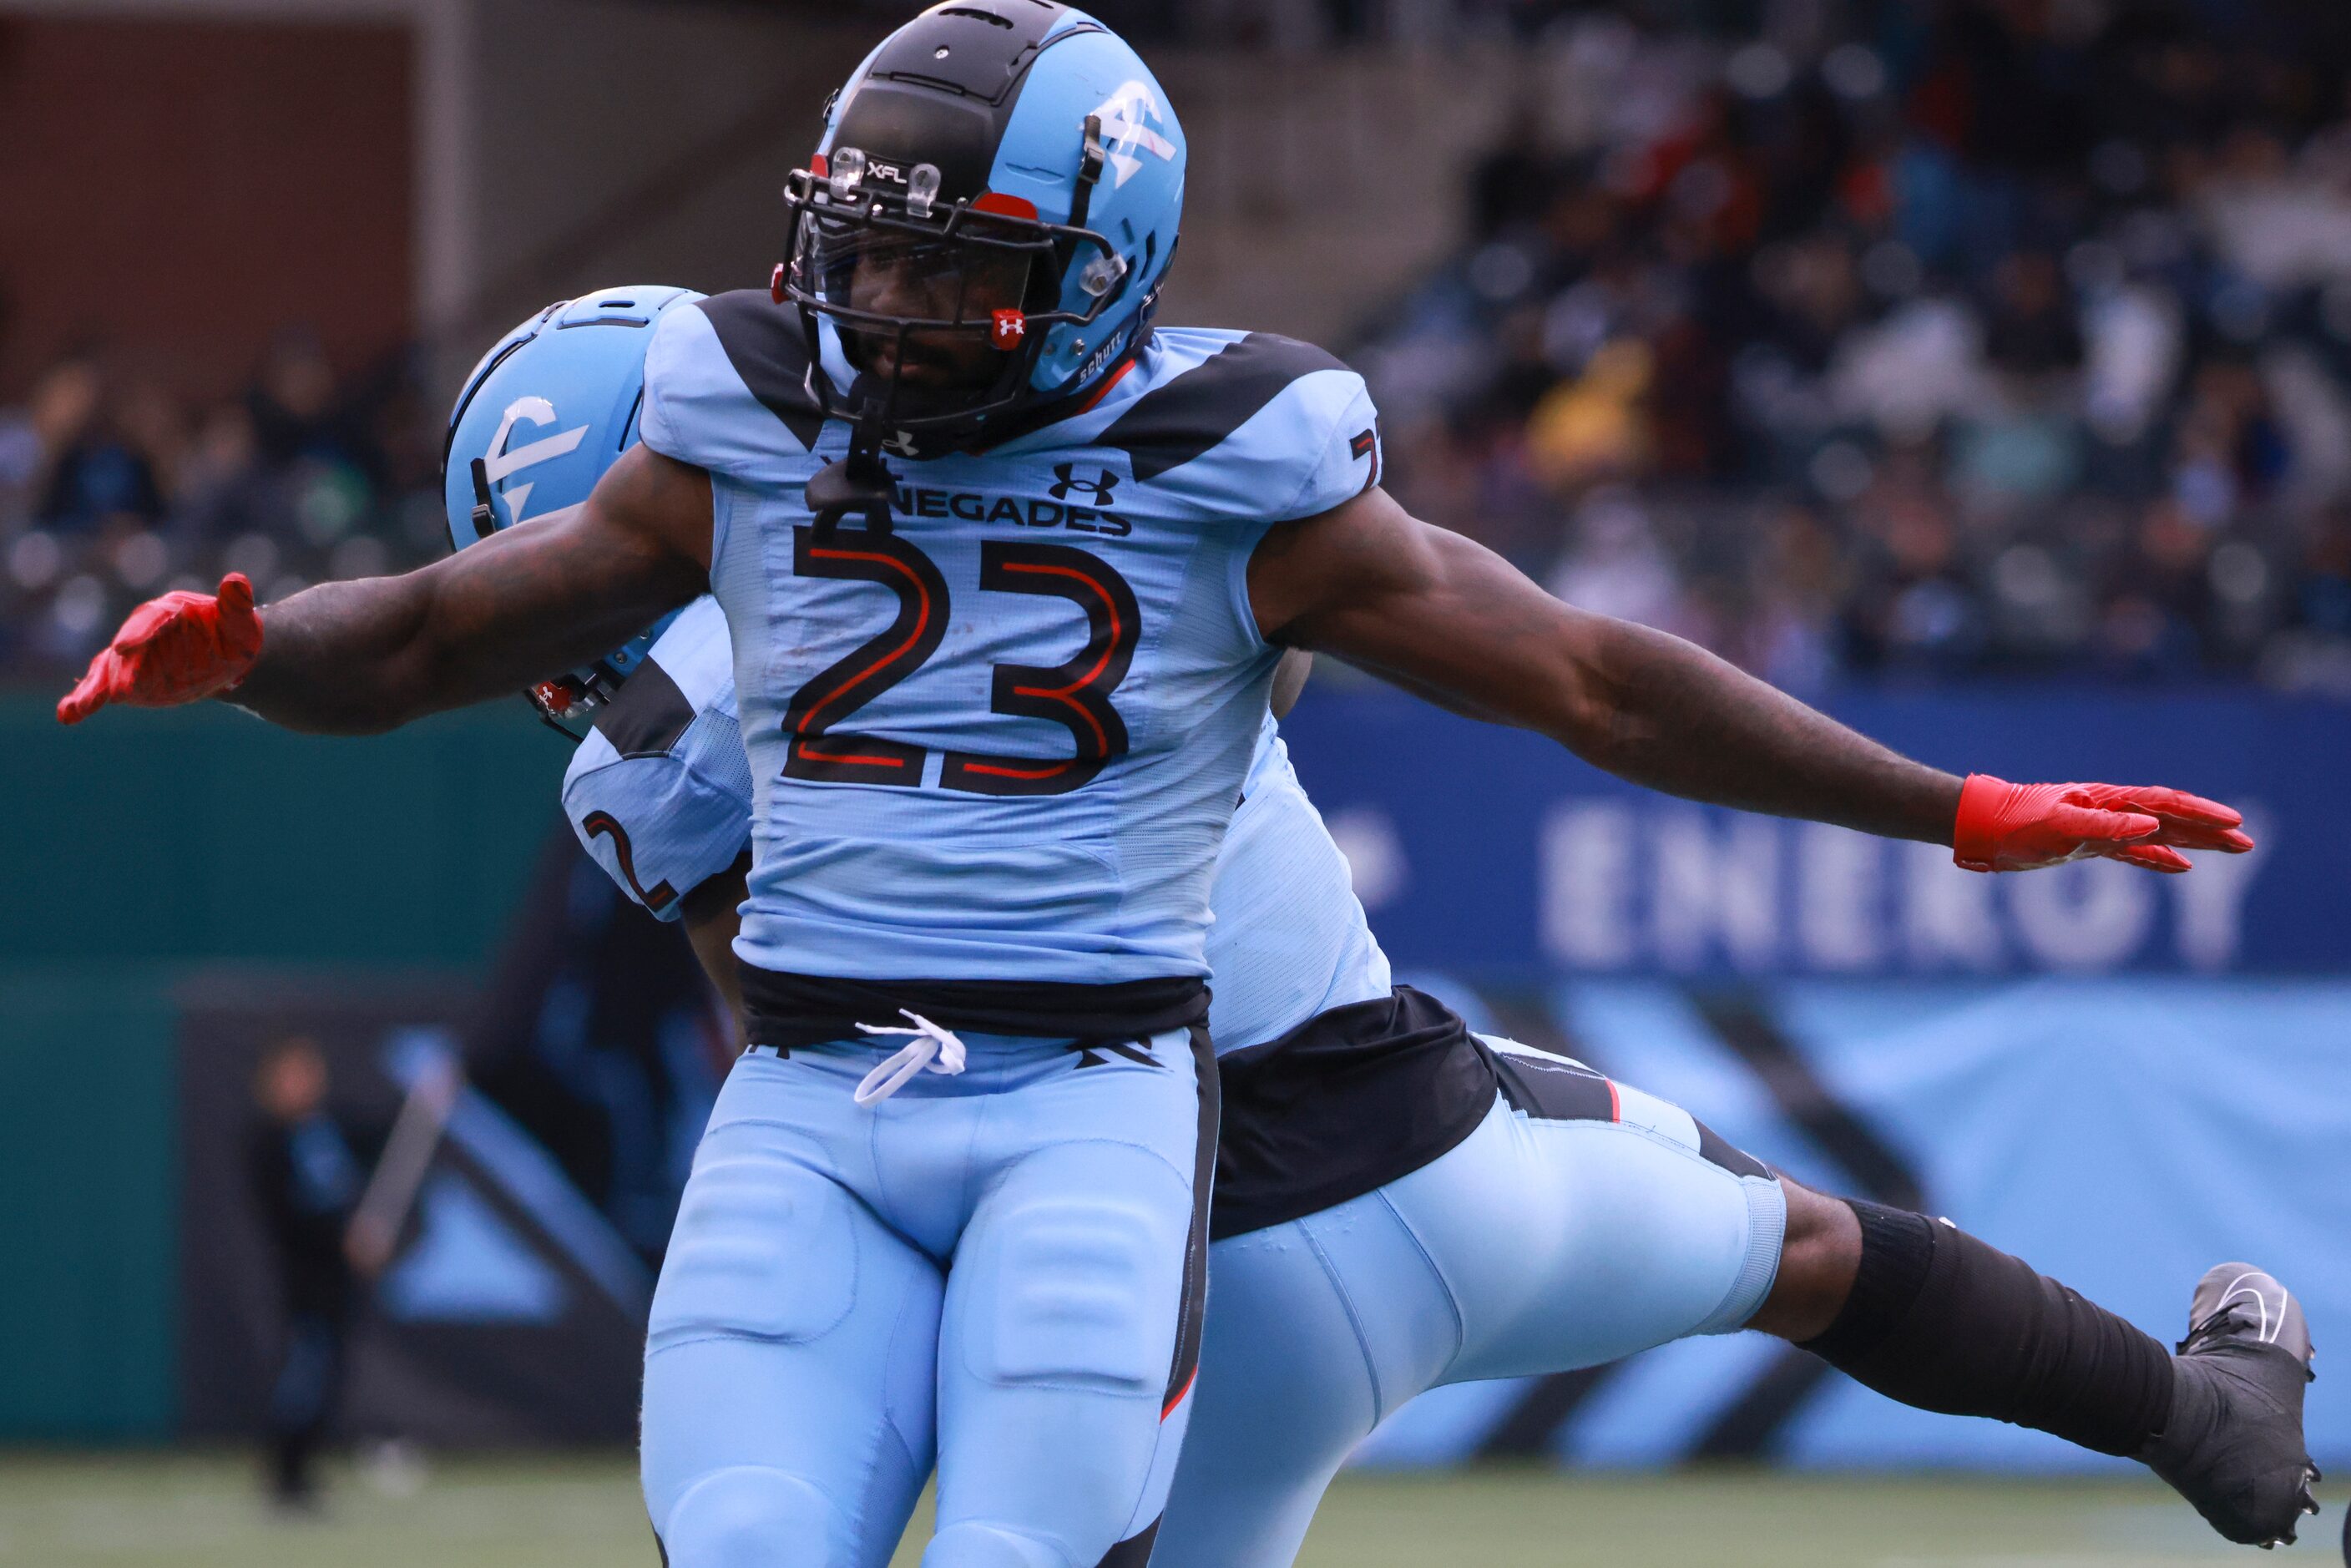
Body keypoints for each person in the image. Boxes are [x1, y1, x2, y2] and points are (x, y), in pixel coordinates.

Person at [58, 5, 2311, 1562]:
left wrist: (289, 654)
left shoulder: (650, 710)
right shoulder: (1172, 469)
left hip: (1127, 1200)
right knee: (1807, 1242)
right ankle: (2202, 1422)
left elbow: (810, 1024)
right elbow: (1592, 682)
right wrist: (1961, 807)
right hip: (1369, 1166)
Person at [246, 1036, 368, 1509]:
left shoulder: (329, 1130)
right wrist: (337, 1238)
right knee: (304, 1375)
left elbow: (375, 1142)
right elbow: (288, 1213)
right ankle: (284, 1471)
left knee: (328, 1375)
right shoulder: (268, 1140)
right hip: (303, 1282)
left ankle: (303, 1470)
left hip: (337, 1283)